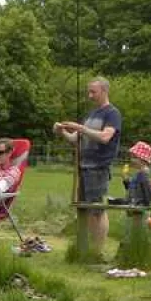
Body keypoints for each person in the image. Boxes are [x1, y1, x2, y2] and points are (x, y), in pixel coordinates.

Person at [54, 78, 123, 258]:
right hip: (84, 167)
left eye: (93, 92)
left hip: (99, 167)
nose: (90, 95)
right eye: (89, 92)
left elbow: (105, 137)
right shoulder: (91, 114)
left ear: (104, 91)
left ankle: (98, 251)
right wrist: (62, 131)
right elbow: (74, 139)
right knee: (85, 209)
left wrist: (81, 128)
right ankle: (87, 248)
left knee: (97, 210)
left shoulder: (112, 114)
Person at [114, 141, 151, 269]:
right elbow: (132, 189)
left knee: (134, 234)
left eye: (134, 157)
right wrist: (126, 180)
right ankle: (124, 257)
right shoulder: (138, 173)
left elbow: (148, 193)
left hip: (139, 210)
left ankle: (130, 258)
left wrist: (145, 206)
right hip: (133, 208)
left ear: (142, 159)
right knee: (129, 233)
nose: (131, 160)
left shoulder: (143, 174)